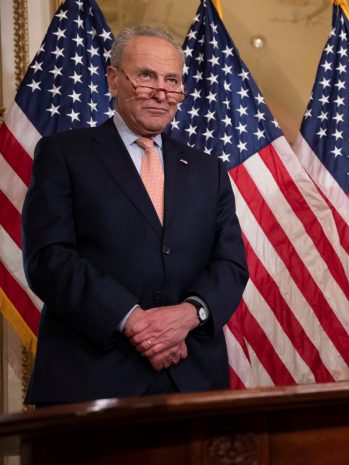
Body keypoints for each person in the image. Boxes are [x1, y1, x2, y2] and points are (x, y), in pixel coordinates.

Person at [21, 25, 248, 405]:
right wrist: (135, 321)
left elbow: (230, 264)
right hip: (92, 379)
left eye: (172, 80)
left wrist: (188, 315)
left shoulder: (209, 170)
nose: (161, 92)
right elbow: (49, 258)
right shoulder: (63, 154)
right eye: (146, 76)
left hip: (192, 376)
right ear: (113, 80)